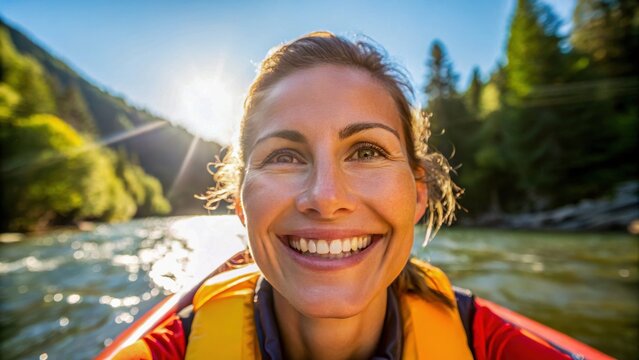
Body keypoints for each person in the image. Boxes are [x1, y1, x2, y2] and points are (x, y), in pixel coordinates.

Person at [114, 32, 574, 359]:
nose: (326, 197)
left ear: (416, 195)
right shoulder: (170, 351)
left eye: (367, 151)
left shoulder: (488, 345)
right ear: (241, 205)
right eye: (284, 156)